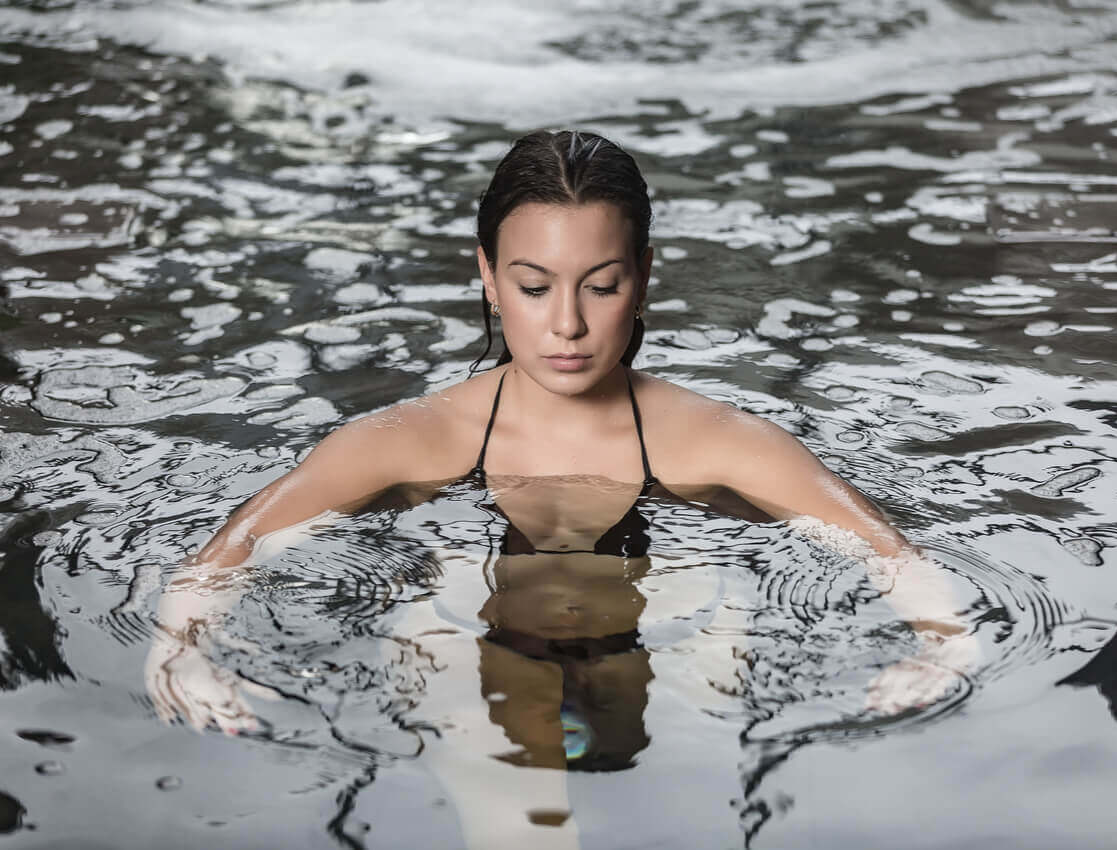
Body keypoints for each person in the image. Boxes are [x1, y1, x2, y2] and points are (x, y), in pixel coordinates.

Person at [146, 129, 978, 848]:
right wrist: (181, 648)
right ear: (488, 277)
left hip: (672, 639)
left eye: (602, 284)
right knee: (520, 830)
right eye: (535, 287)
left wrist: (943, 643)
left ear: (644, 277)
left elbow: (880, 547)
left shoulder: (714, 440)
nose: (568, 325)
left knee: (704, 813)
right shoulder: (419, 439)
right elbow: (239, 544)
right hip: (462, 641)